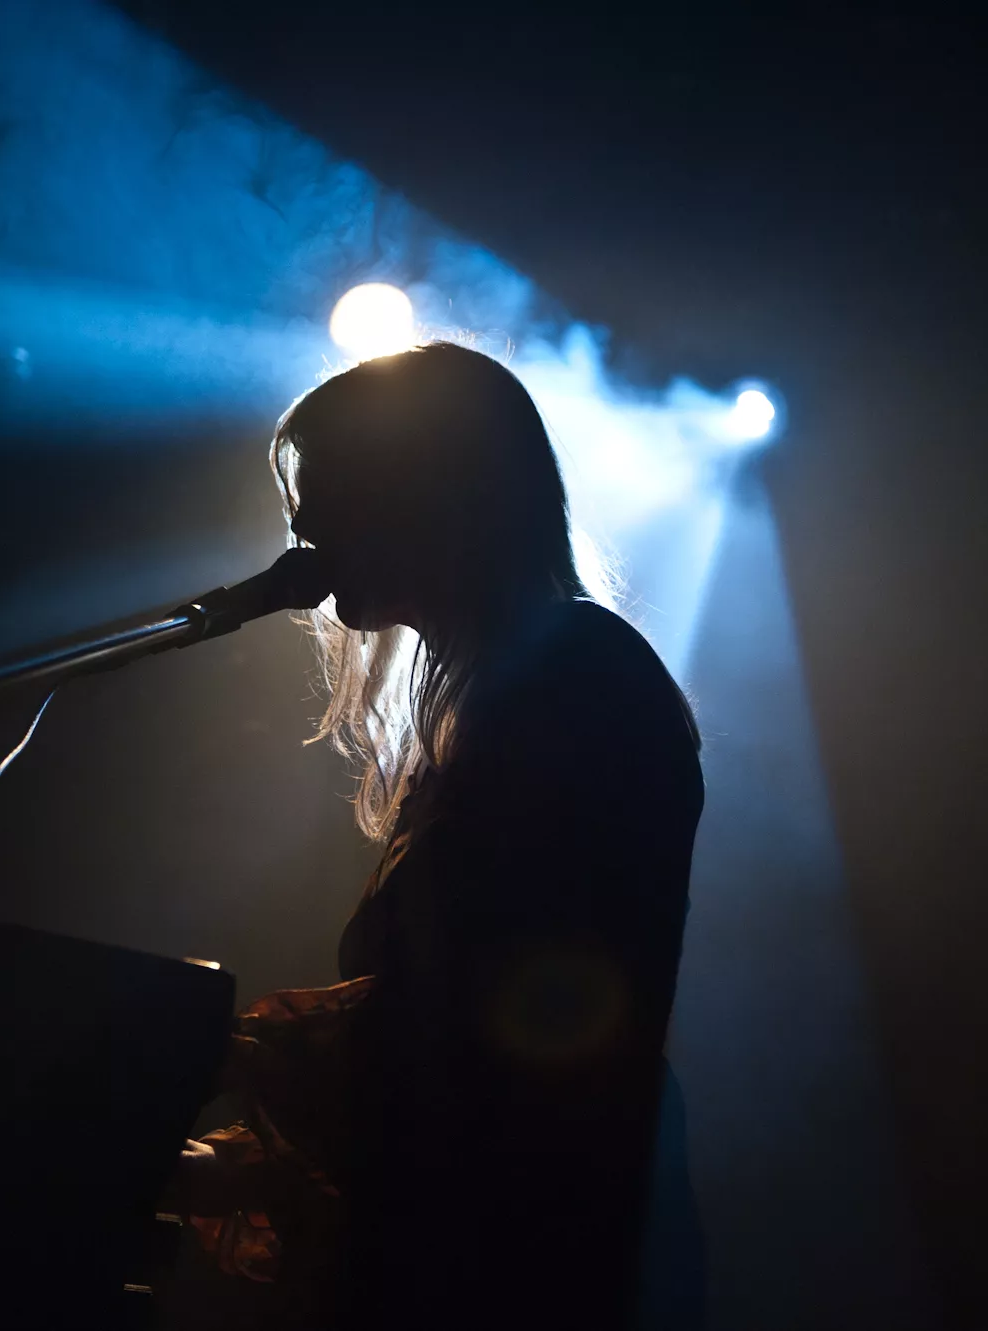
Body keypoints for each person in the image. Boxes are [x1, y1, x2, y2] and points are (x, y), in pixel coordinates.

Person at [164, 342, 705, 1331]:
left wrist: (194, 1057)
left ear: (422, 489)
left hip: (528, 1268)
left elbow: (495, 1029)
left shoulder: (578, 678)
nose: (302, 524)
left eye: (327, 486)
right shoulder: (509, 693)